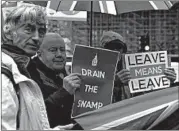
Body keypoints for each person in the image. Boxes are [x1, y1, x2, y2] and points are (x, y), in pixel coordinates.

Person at [1, 4, 78, 130]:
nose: (36, 38)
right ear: (9, 32)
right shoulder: (5, 74)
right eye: (28, 29)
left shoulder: (25, 69)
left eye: (41, 31)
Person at [100, 31, 177, 101]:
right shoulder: (95, 72)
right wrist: (114, 82)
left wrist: (168, 81)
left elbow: (147, 97)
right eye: (111, 48)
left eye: (119, 47)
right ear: (102, 50)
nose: (116, 51)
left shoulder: (130, 69)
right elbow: (94, 97)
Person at [27, 33, 82, 128]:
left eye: (62, 50)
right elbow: (36, 116)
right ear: (39, 53)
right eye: (53, 50)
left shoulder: (65, 73)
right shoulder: (29, 76)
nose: (59, 55)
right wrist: (64, 92)